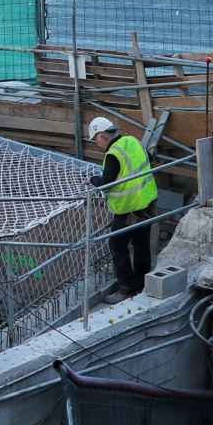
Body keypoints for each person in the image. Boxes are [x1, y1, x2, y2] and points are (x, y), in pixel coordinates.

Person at [88, 117, 158, 304]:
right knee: (141, 245)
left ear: (102, 136)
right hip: (147, 204)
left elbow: (107, 184)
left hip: (128, 210)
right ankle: (141, 283)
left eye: (95, 140)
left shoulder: (113, 154)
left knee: (117, 246)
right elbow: (148, 159)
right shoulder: (133, 140)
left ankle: (125, 288)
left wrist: (94, 180)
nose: (96, 144)